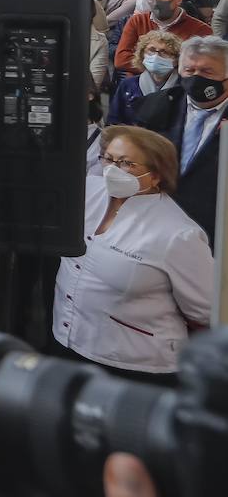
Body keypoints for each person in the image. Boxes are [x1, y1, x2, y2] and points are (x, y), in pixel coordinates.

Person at [54, 125, 212, 382]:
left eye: (127, 163)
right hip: (68, 343)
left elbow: (204, 308)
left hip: (134, 365)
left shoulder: (178, 234)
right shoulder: (85, 192)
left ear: (156, 175)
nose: (113, 170)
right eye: (108, 159)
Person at [135, 35, 228, 241]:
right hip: (158, 223)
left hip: (215, 230)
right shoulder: (156, 106)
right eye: (189, 70)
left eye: (206, 71)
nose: (196, 77)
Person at [113, 0, 210, 73]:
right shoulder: (137, 21)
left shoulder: (201, 30)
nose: (156, 2)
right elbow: (121, 60)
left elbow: (202, 65)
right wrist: (157, 66)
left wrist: (164, 67)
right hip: (140, 83)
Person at [108, 31, 181, 126]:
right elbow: (113, 121)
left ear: (176, 60)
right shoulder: (128, 85)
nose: (156, 56)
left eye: (164, 52)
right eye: (151, 50)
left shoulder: (182, 87)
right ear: (142, 54)